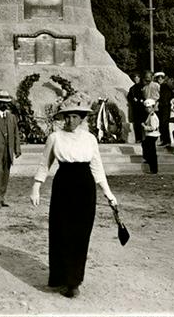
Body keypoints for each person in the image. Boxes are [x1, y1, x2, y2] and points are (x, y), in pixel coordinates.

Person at [30, 94, 118, 298]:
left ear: (82, 118)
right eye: (67, 116)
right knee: (61, 231)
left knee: (80, 233)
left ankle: (74, 281)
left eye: (74, 116)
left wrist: (108, 193)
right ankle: (59, 276)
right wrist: (36, 187)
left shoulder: (90, 139)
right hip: (63, 185)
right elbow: (44, 164)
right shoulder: (55, 138)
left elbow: (97, 167)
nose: (70, 120)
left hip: (85, 187)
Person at [142, 98, 159, 174]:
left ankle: (153, 169)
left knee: (152, 152)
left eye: (149, 107)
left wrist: (145, 127)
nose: (147, 109)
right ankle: (148, 159)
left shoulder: (152, 116)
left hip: (152, 135)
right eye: (146, 107)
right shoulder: (150, 115)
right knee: (145, 145)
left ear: (152, 107)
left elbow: (153, 127)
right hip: (150, 135)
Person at [155, 72, 172, 146]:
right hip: (162, 107)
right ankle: (164, 140)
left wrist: (159, 103)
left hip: (165, 107)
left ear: (163, 79)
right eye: (158, 79)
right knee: (162, 124)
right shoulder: (160, 86)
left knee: (164, 124)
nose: (159, 80)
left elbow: (165, 98)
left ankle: (166, 140)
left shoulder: (165, 87)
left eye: (161, 79)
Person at [127, 72, 144, 144]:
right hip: (136, 108)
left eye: (137, 78)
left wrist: (142, 99)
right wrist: (133, 99)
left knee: (143, 123)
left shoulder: (143, 86)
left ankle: (144, 138)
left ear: (139, 78)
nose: (136, 79)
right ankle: (138, 138)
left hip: (143, 108)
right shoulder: (132, 88)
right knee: (136, 124)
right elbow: (129, 97)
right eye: (135, 78)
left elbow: (146, 95)